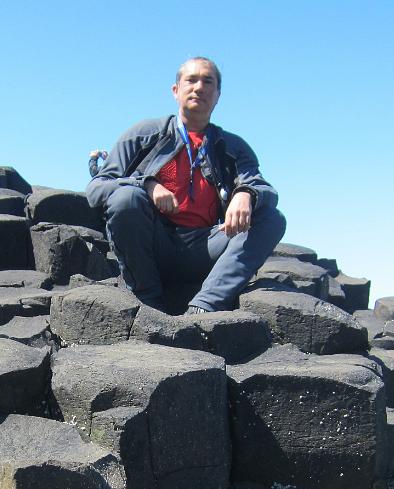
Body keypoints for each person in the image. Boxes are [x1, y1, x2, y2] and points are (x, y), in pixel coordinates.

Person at [86, 57, 286, 314]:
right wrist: (147, 185)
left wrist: (246, 193)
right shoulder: (144, 134)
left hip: (206, 247)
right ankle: (148, 303)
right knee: (125, 198)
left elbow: (262, 187)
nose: (199, 87)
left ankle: (204, 307)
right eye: (191, 80)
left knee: (272, 218)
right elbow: (98, 187)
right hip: (153, 245)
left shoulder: (233, 147)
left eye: (207, 81)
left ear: (218, 94)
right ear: (175, 90)